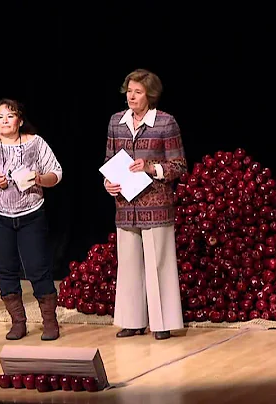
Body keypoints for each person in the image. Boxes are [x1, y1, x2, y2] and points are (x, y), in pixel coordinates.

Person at [0, 98, 64, 341]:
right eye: (0, 117)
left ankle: (50, 322)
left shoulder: (36, 143)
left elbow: (57, 174)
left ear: (19, 119)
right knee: (6, 270)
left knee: (38, 268)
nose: (5, 121)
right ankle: (18, 322)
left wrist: (39, 178)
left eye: (10, 115)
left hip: (31, 214)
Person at [102, 69, 187, 340]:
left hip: (157, 205)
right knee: (128, 265)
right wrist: (108, 183)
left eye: (137, 92)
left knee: (158, 264)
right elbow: (109, 160)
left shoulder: (165, 123)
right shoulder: (116, 122)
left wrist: (150, 167)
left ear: (150, 94)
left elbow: (179, 166)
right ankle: (132, 320)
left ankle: (162, 323)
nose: (131, 96)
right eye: (129, 91)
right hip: (125, 206)